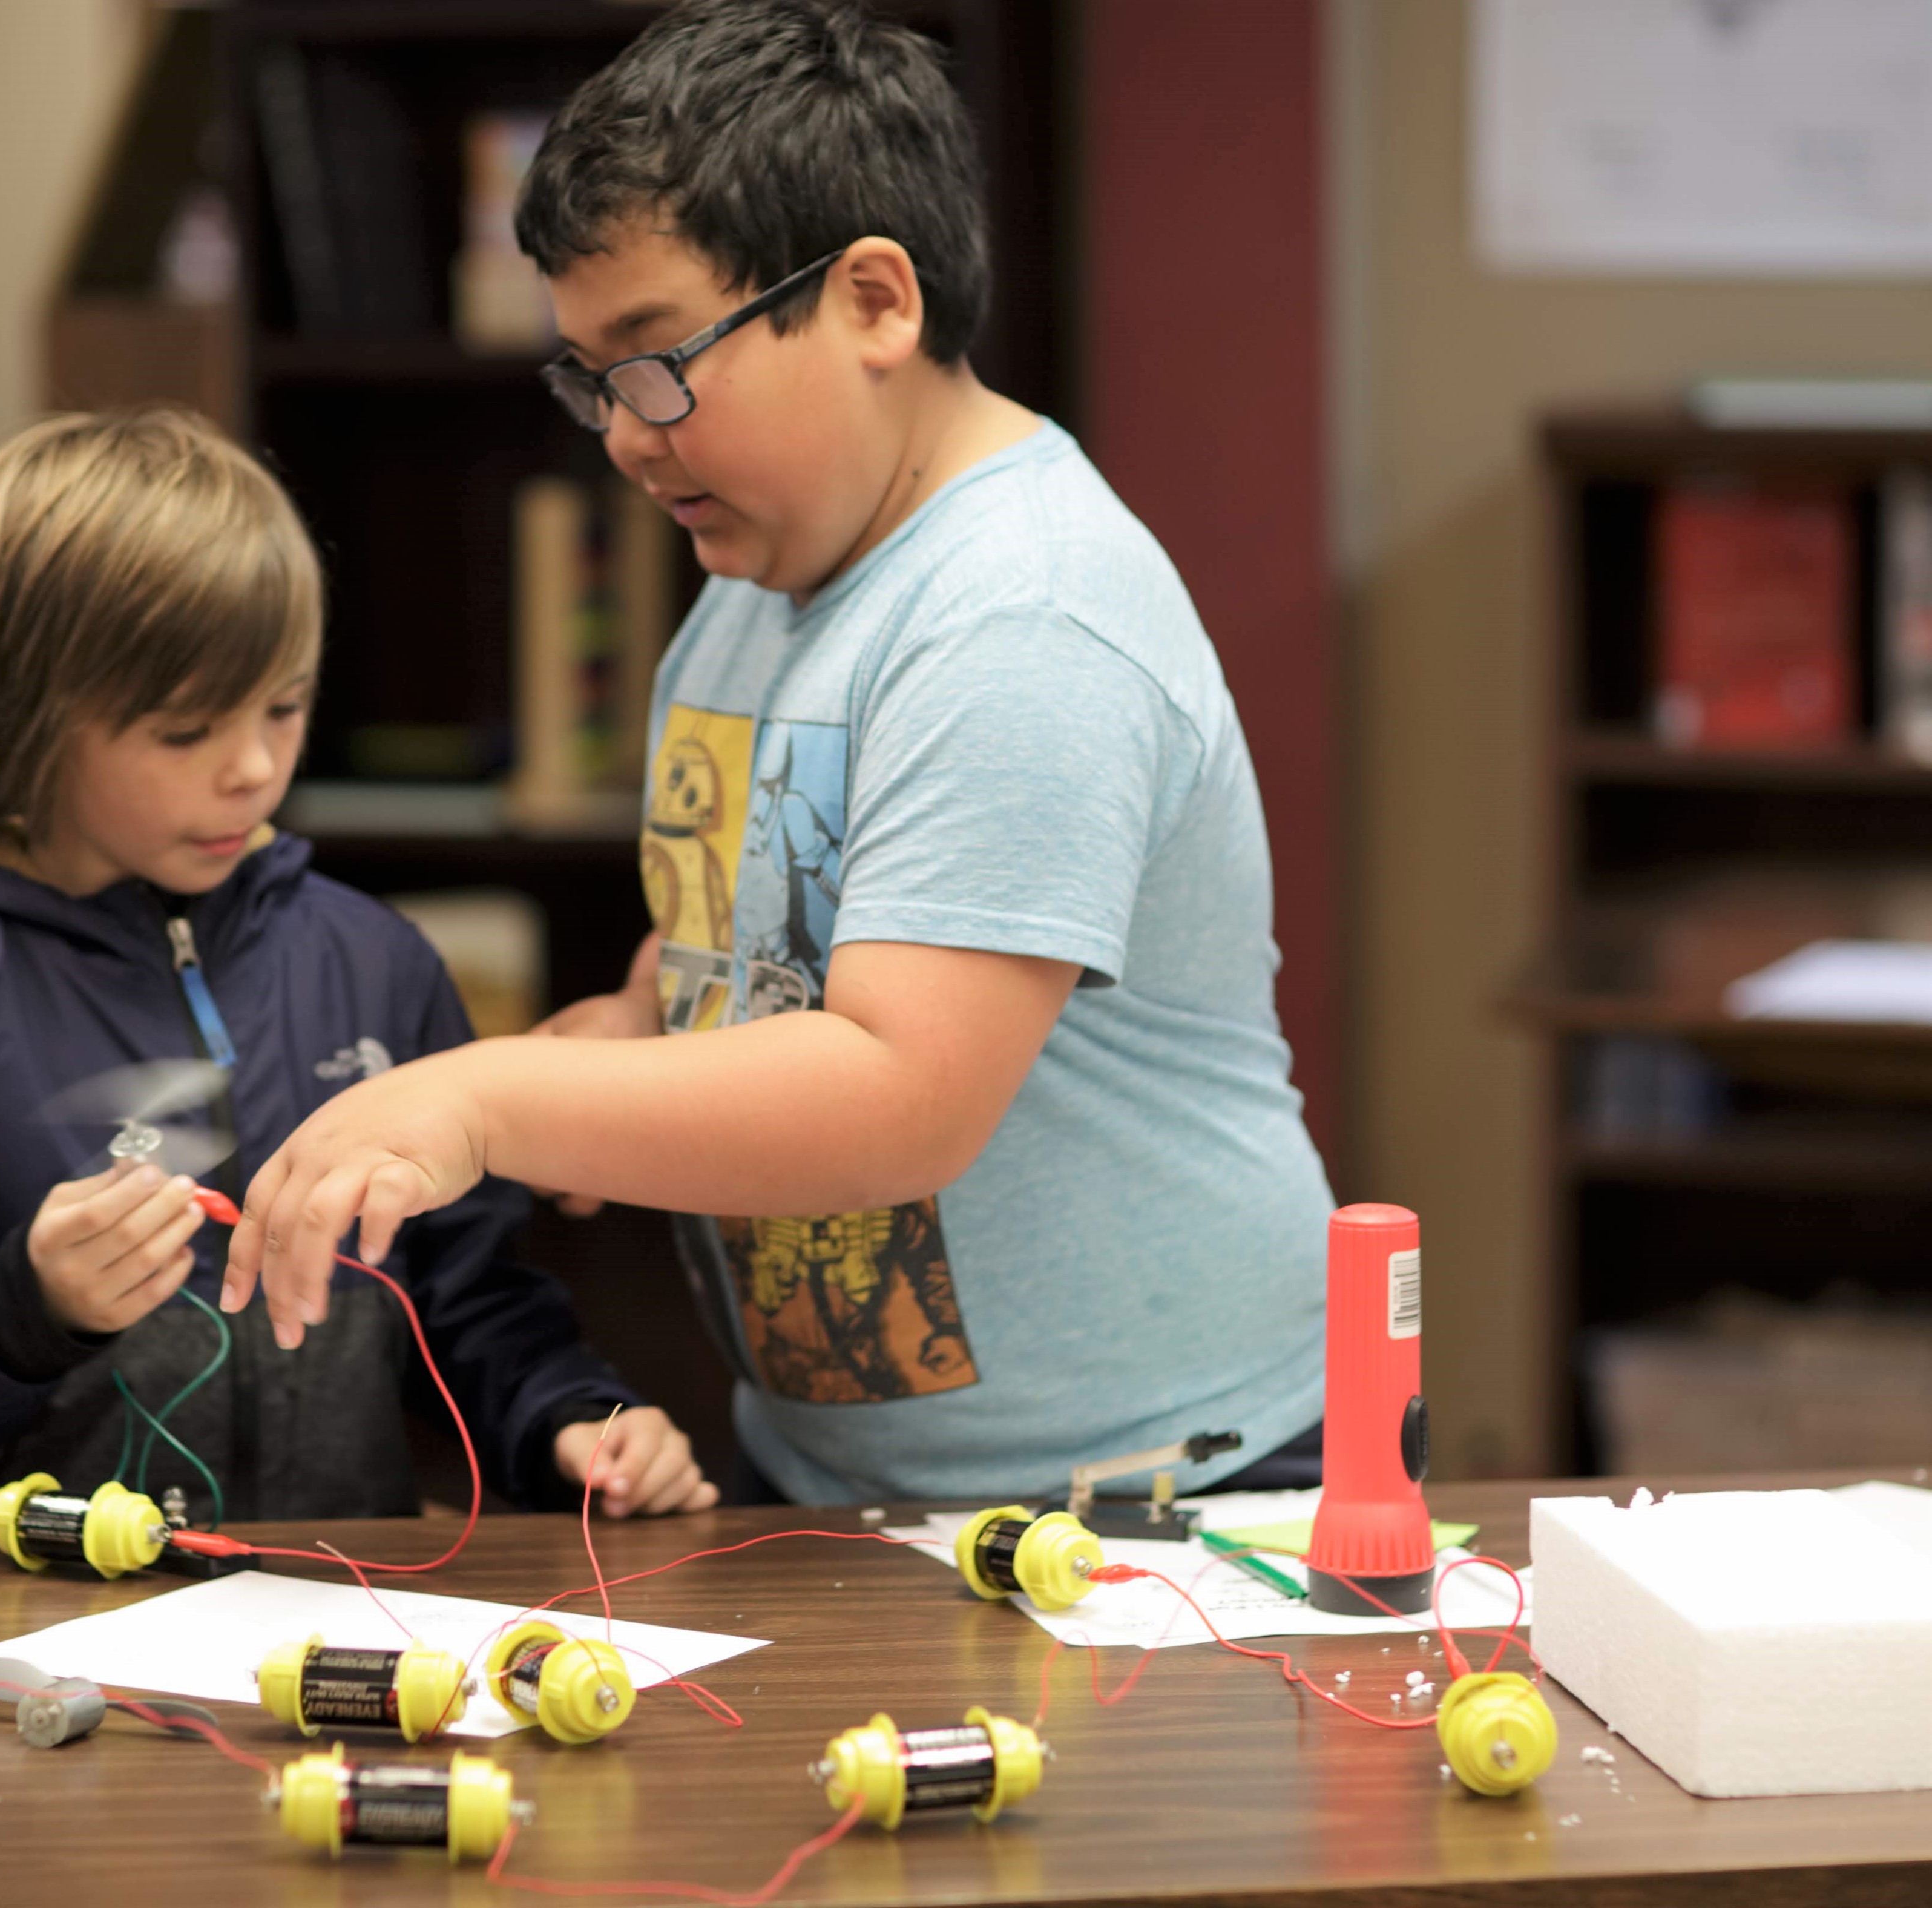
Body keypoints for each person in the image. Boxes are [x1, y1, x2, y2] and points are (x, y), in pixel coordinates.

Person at [217, 0, 1332, 1507]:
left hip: (1164, 1483)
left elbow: (899, 1093)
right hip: (850, 1466)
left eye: (659, 358)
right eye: (589, 378)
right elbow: (743, 954)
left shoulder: (1022, 611)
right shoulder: (766, 576)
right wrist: (622, 1032)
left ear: (876, 300)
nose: (620, 432)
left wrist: (481, 1102)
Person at [0, 409, 715, 1525]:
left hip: (332, 1622)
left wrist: (571, 1422)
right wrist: (21, 1308)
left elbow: (472, 1297)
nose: (253, 768)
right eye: (183, 732)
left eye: (285, 706)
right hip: (32, 1635)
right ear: (21, 720)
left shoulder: (373, 964)